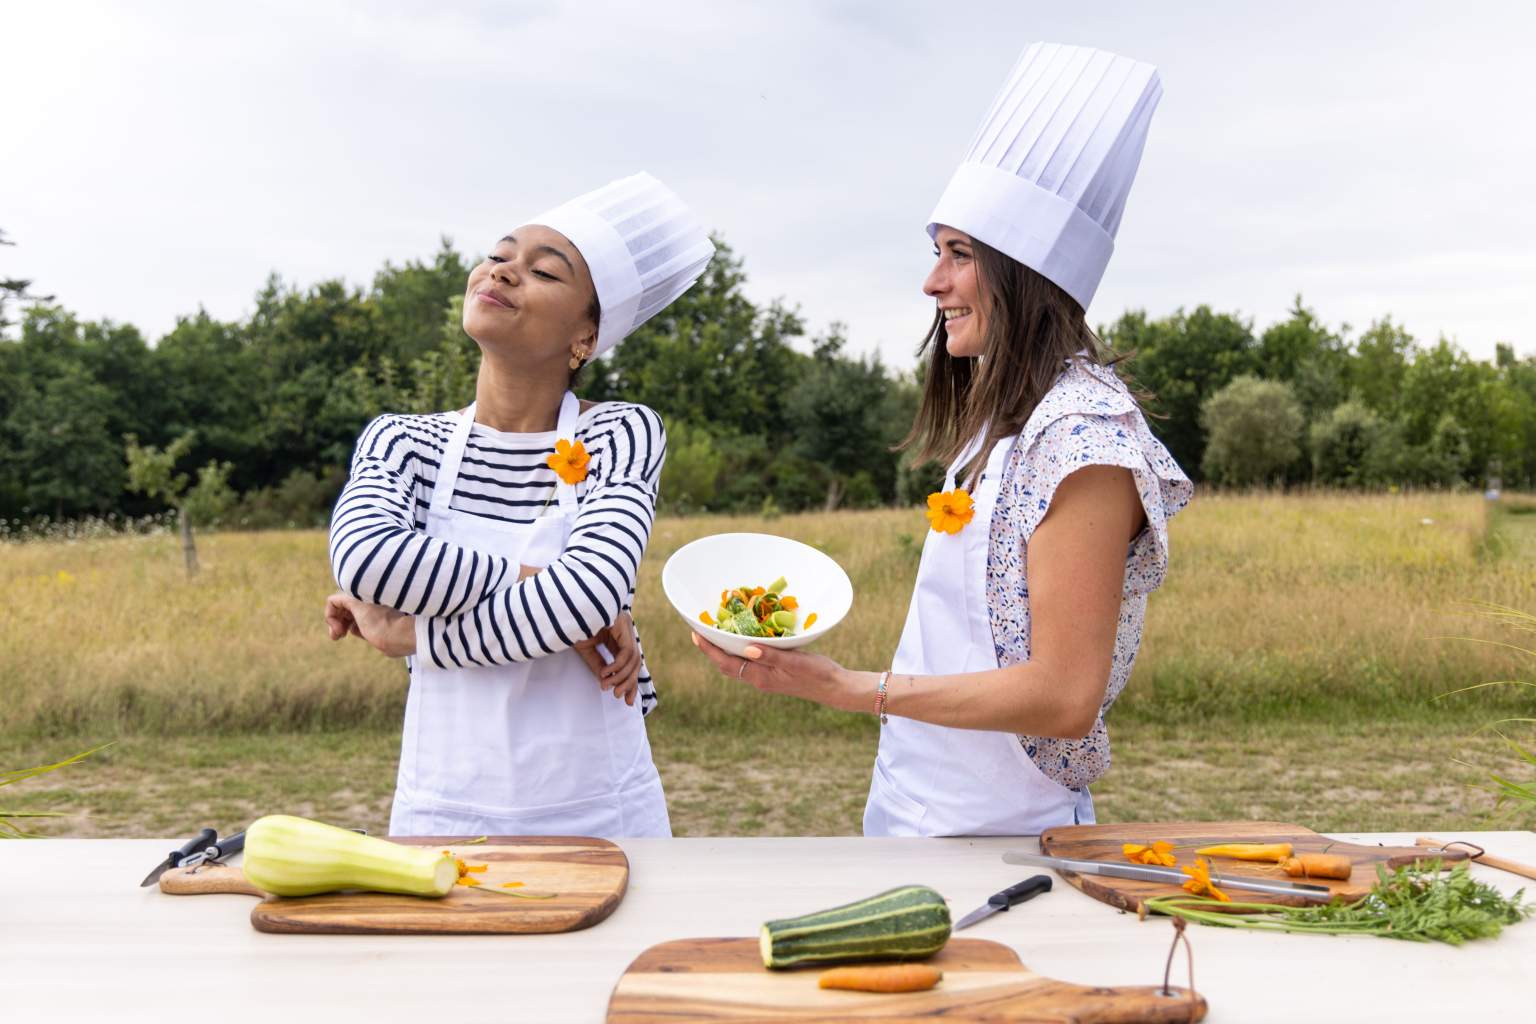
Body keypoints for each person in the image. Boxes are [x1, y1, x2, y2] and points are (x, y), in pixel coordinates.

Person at [692, 42, 1192, 836]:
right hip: (910, 804)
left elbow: (1065, 697)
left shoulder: (1086, 442)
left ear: (1025, 272)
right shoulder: (999, 429)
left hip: (1001, 834)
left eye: (959, 255)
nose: (933, 283)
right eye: (937, 253)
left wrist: (848, 688)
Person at [325, 172, 713, 837]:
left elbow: (590, 596)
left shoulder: (618, 433)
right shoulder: (402, 441)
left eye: (544, 272)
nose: (503, 273)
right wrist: (546, 589)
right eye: (499, 256)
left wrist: (416, 632)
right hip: (441, 814)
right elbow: (365, 562)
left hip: (601, 817)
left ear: (585, 336)